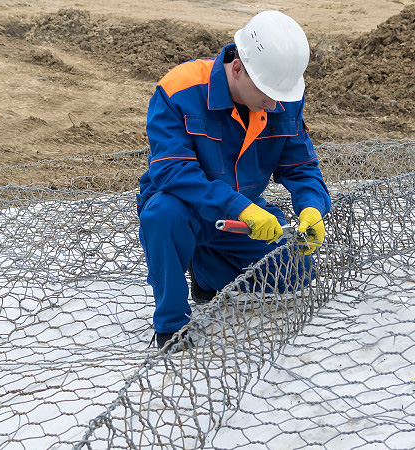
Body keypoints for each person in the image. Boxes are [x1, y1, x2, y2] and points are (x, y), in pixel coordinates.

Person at [136, 11, 332, 351]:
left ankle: (204, 269)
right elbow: (171, 171)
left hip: (239, 214)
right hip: (186, 207)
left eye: (280, 95)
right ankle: (170, 321)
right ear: (237, 68)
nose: (274, 105)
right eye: (267, 93)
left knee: (294, 273)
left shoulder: (282, 99)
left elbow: (301, 166)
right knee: (162, 215)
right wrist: (239, 207)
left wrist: (312, 208)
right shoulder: (179, 89)